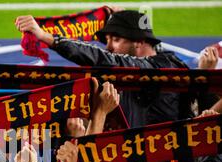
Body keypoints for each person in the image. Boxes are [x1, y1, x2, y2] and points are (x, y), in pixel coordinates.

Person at [15, 10, 193, 128]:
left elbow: (103, 59)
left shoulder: (160, 67)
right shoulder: (138, 71)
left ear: (139, 41)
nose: (108, 47)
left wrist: (47, 37)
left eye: (115, 39)